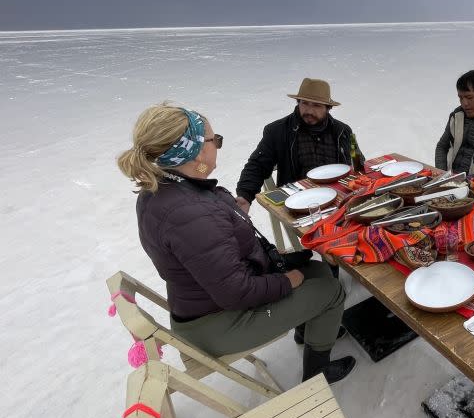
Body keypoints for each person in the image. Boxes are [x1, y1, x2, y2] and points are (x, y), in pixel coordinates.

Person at [117, 104, 356, 383]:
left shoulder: (166, 188)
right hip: (221, 323)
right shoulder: (190, 213)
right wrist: (286, 281)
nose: (217, 145)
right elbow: (235, 292)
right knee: (330, 290)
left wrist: (273, 259)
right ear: (194, 151)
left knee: (317, 270)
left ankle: (309, 328)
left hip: (203, 304)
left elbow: (218, 255)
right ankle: (318, 373)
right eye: (213, 139)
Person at [235, 78, 364, 213]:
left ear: (328, 108)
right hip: (298, 203)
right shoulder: (278, 131)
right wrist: (245, 195)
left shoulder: (342, 131)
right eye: (305, 103)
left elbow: (358, 164)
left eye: (316, 105)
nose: (309, 110)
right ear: (298, 103)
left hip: (339, 200)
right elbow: (257, 165)